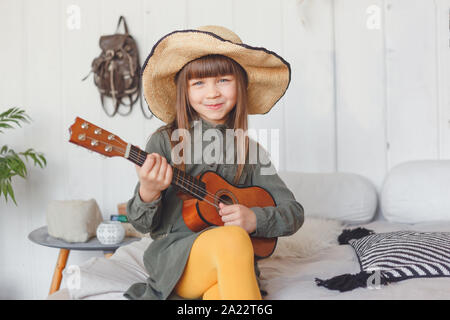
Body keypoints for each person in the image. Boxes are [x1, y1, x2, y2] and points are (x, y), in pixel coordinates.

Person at [124, 25, 304, 300]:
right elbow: (141, 225)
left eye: (223, 80)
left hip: (231, 266)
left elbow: (294, 212)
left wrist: (255, 218)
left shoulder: (250, 152)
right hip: (179, 265)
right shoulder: (164, 143)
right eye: (198, 83)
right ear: (183, 90)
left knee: (221, 293)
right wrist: (148, 190)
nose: (212, 93)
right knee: (232, 239)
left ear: (241, 84)